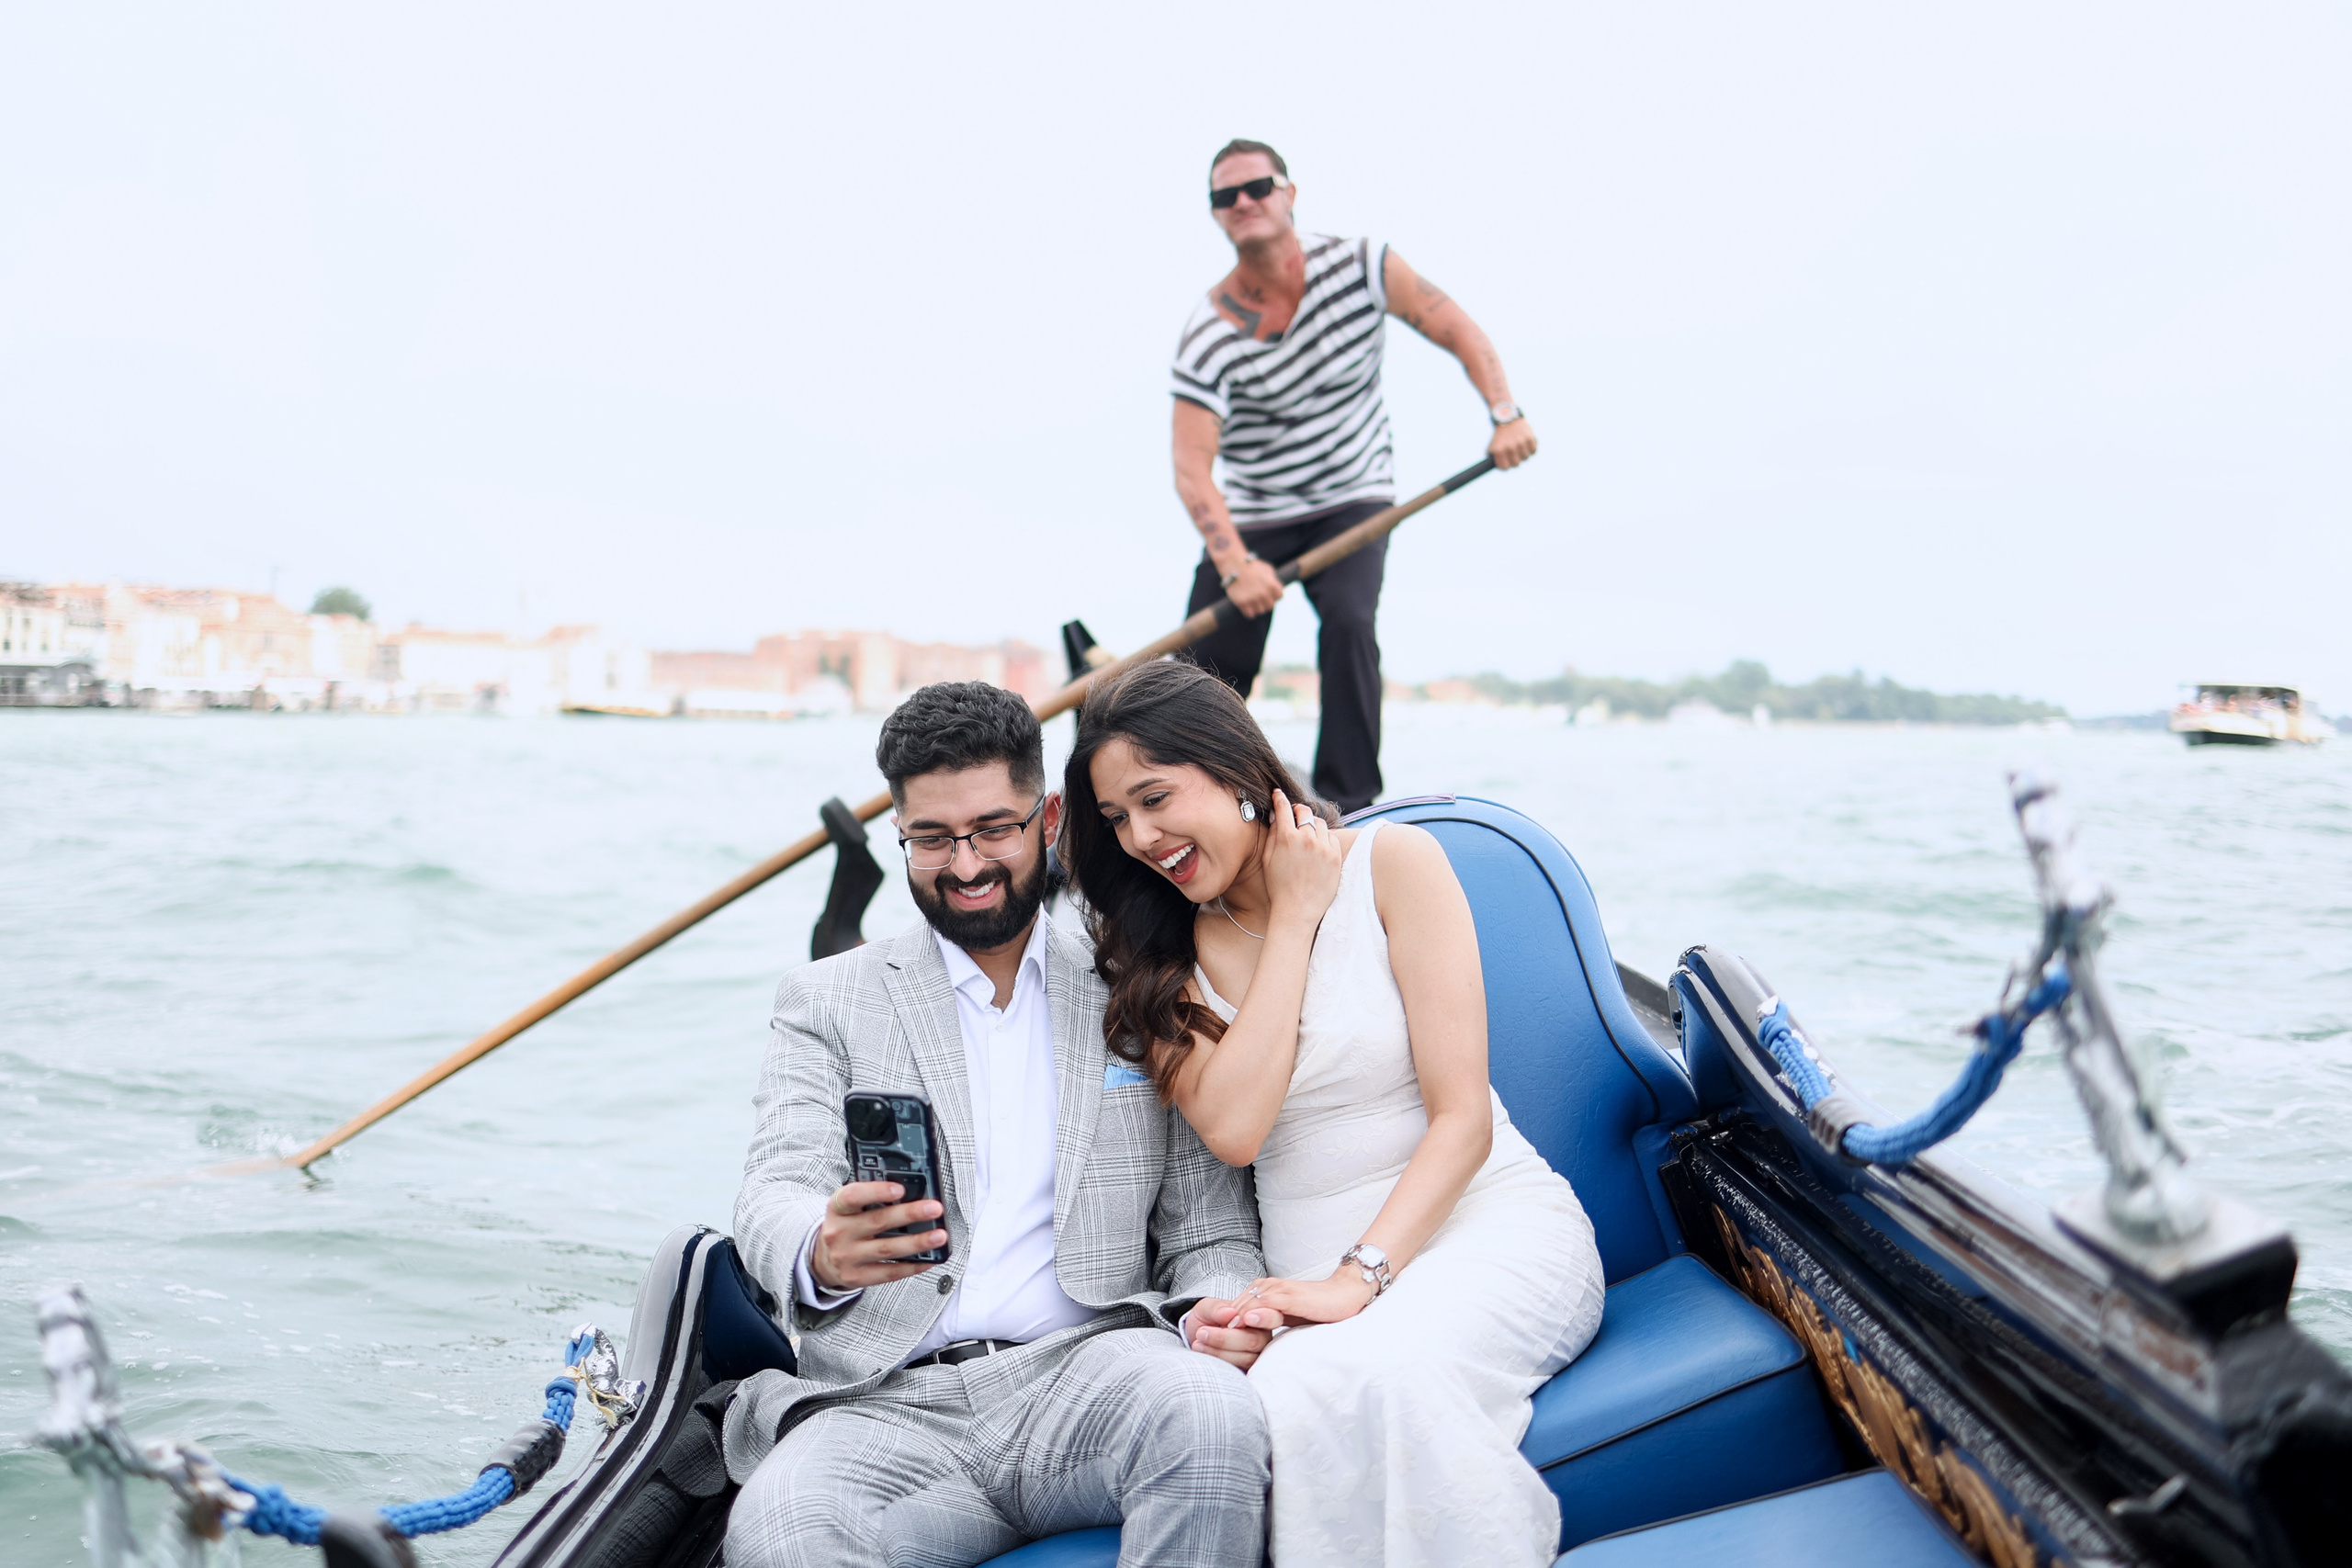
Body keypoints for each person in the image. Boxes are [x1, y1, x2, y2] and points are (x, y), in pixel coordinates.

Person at [1059, 660, 1603, 1568]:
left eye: (1155, 799)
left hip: (1485, 1231)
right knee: (1288, 1406)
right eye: (1116, 819)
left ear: (1233, 769)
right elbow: (1233, 1126)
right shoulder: (1152, 956)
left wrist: (1359, 1280)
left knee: (1386, 1372)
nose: (1142, 837)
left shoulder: (1395, 865)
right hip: (1307, 1285)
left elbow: (1462, 1119)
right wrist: (1296, 920)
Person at [723, 682, 1275, 1568]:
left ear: (1049, 817)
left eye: (993, 829)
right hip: (884, 1404)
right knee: (779, 1533)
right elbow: (774, 1186)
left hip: (1090, 1370)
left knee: (1212, 1416)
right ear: (900, 832)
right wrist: (819, 1252)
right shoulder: (823, 998)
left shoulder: (1136, 979)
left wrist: (1221, 1302)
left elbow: (1208, 1227)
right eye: (932, 838)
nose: (967, 863)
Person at [1170, 137, 1539, 815]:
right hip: (1254, 513)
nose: (1245, 202)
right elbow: (1192, 468)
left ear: (1289, 192)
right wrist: (1234, 563)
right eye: (1227, 196)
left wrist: (1504, 413)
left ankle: (1350, 803)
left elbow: (1459, 328)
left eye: (1258, 187)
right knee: (1202, 674)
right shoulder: (1208, 330)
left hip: (1354, 495)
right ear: (1216, 215)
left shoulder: (1363, 264)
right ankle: (1186, 796)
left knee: (1347, 621)